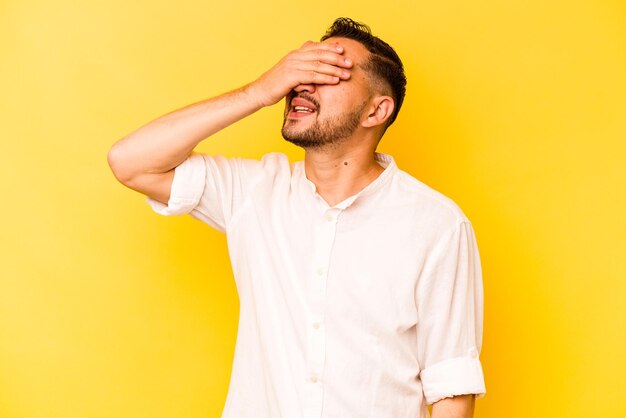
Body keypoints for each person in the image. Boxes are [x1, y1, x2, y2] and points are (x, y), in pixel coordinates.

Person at [108, 17, 486, 418]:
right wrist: (257, 92)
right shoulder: (252, 193)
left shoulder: (437, 225)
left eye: (329, 73)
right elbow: (131, 163)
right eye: (304, 68)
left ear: (377, 110)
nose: (303, 83)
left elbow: (451, 385)